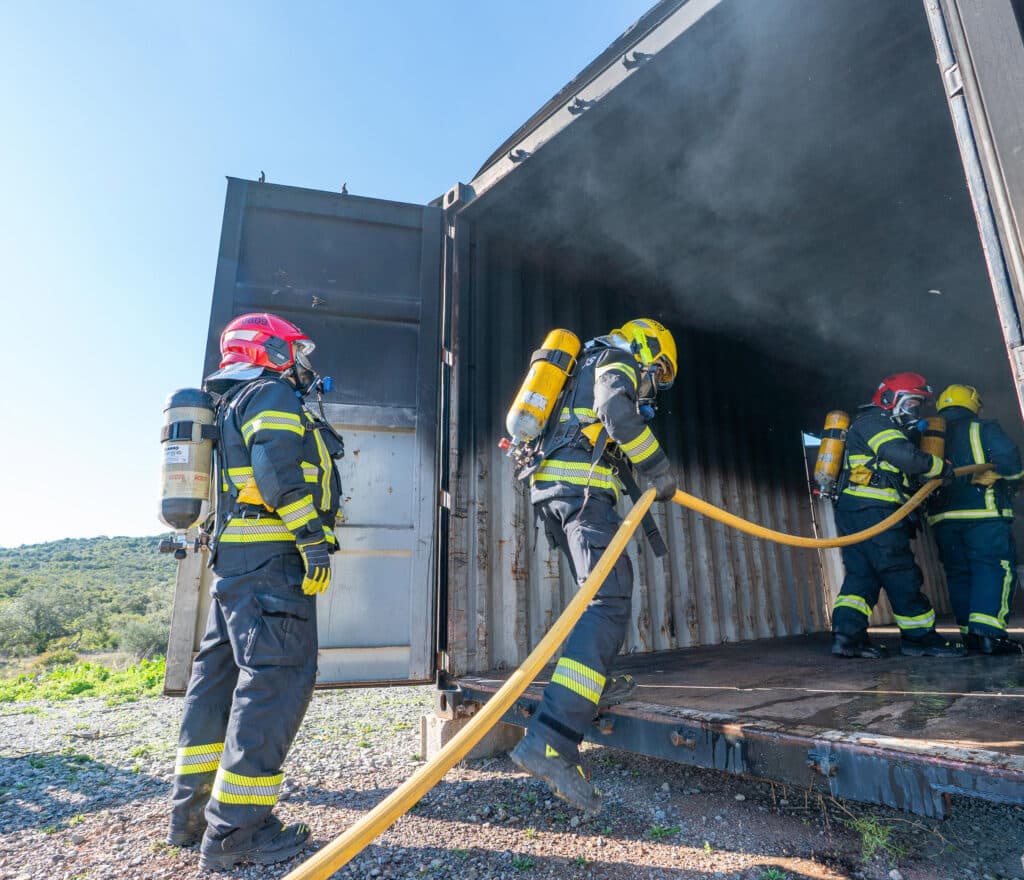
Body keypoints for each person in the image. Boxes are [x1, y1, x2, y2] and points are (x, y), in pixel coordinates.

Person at [167, 312, 344, 870]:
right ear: (270, 350)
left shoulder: (228, 404)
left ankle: (191, 817)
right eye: (297, 352)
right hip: (272, 562)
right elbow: (277, 472)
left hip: (235, 567)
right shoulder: (269, 394)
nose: (304, 365)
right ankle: (236, 833)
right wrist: (311, 540)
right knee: (275, 682)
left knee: (216, 684)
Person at [509, 317, 679, 815]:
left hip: (556, 494)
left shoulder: (581, 366)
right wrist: (658, 468)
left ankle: (592, 685)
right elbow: (615, 411)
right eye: (657, 370)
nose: (652, 382)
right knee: (608, 600)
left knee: (596, 598)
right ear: (645, 346)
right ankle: (552, 740)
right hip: (581, 497)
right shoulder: (616, 357)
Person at [830, 372, 965, 659]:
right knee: (900, 572)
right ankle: (920, 638)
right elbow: (905, 457)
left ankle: (847, 638)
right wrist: (941, 467)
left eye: (918, 405)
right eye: (912, 403)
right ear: (890, 399)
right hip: (874, 511)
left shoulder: (881, 426)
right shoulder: (876, 422)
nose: (915, 410)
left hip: (858, 511)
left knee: (862, 576)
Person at [926, 384, 1023, 655]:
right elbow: (1011, 464)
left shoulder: (931, 436)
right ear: (974, 404)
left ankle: (971, 636)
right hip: (984, 516)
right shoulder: (984, 428)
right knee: (993, 568)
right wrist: (1010, 480)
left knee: (960, 573)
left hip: (943, 520)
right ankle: (989, 634)